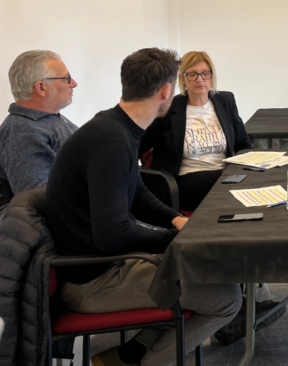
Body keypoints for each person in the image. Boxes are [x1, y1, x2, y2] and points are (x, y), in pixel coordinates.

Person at [46, 48, 244, 366]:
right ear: (167, 91)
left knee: (208, 272)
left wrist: (177, 221)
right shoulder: (112, 142)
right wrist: (175, 241)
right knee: (228, 299)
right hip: (94, 279)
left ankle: (128, 355)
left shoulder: (113, 126)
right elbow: (114, 234)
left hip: (101, 264)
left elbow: (137, 193)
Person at [139, 51, 251, 211]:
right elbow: (139, 144)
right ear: (183, 78)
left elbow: (243, 144)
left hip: (225, 177)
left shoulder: (225, 101)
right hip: (183, 183)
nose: (200, 79)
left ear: (211, 76)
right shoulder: (169, 108)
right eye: (192, 74)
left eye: (205, 73)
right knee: (232, 187)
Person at [0, 50, 78, 209]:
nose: (74, 83)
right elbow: (39, 202)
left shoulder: (47, 119)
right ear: (41, 87)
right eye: (66, 78)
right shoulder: (23, 133)